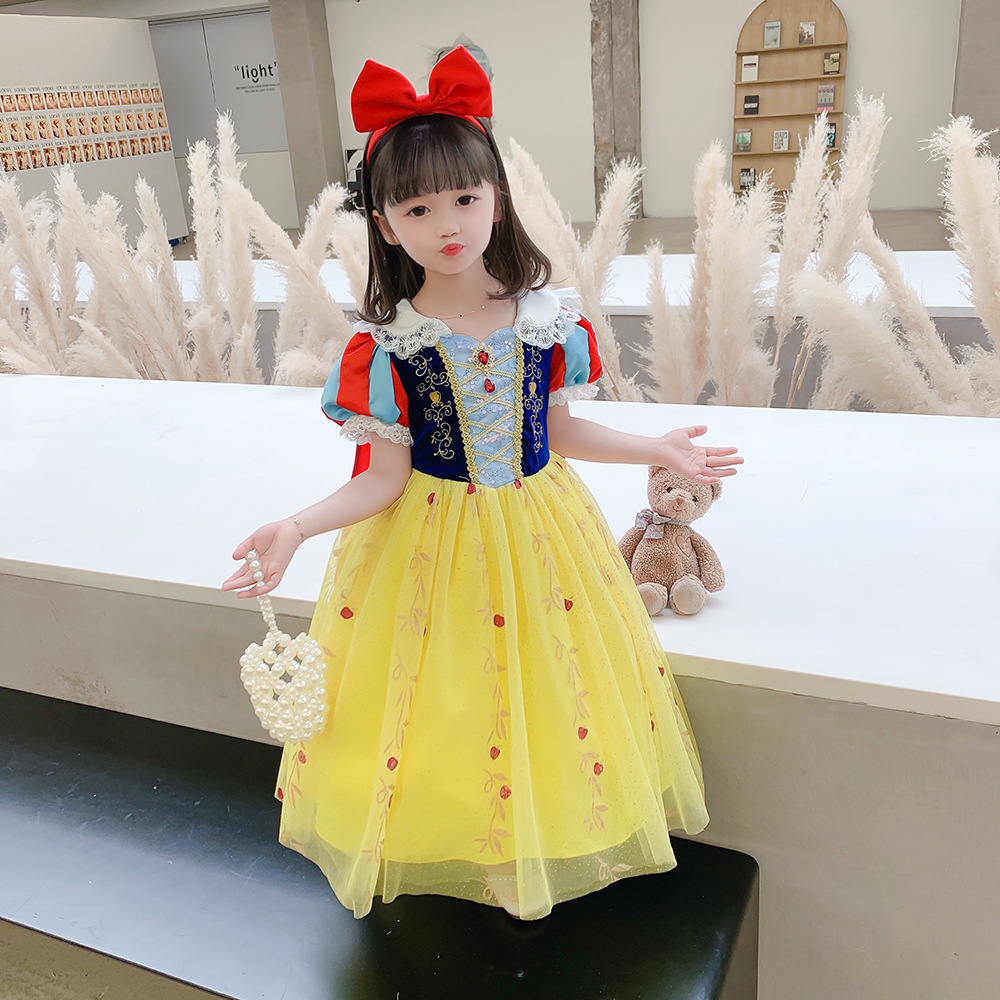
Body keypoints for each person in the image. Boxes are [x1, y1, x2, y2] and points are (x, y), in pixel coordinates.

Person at [222, 47, 742, 920]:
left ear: (497, 197)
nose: (448, 224)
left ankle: (536, 843)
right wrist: (297, 528)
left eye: (464, 198)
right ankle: (462, 841)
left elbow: (561, 432)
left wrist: (657, 445)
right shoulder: (386, 346)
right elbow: (382, 479)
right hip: (428, 550)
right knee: (445, 702)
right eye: (418, 207)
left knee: (550, 692)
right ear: (386, 224)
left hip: (543, 535)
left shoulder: (547, 319)